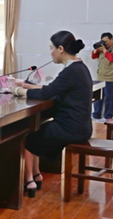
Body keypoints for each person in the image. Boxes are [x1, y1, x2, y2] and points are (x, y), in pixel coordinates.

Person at [12, 31, 91, 198]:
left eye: (51, 48)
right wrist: (27, 86)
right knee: (36, 129)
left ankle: (29, 180)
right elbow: (52, 89)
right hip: (80, 127)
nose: (50, 53)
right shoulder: (79, 67)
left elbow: (47, 93)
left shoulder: (71, 71)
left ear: (60, 49)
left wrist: (18, 91)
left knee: (26, 137)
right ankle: (36, 175)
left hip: (71, 129)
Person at [91, 32, 113, 122]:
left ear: (112, 39)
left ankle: (108, 116)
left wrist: (105, 50)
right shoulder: (102, 48)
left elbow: (112, 58)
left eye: (106, 41)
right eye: (103, 41)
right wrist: (96, 49)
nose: (105, 43)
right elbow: (93, 56)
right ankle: (96, 115)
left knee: (108, 98)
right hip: (100, 76)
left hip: (110, 77)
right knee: (98, 97)